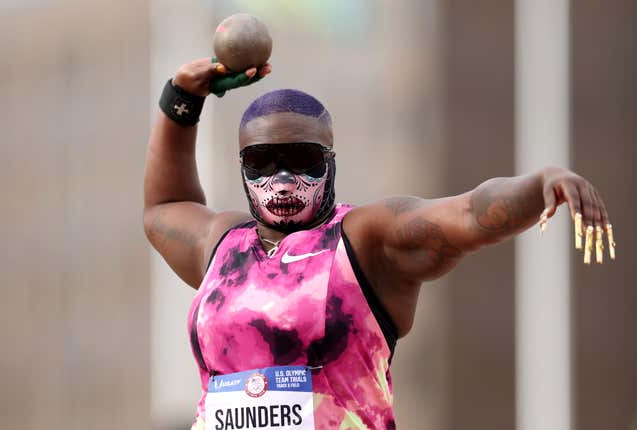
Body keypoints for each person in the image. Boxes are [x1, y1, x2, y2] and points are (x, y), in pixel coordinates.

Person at [144, 58, 615, 430]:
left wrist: (540, 185)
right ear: (242, 166)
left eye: (302, 160)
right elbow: (166, 206)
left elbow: (469, 212)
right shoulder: (223, 245)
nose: (282, 180)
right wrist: (182, 99)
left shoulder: (366, 241)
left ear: (330, 161)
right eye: (263, 163)